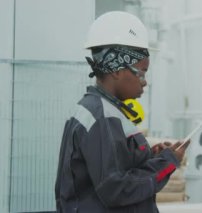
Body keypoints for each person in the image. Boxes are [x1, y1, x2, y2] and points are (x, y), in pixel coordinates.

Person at [55, 11, 189, 213]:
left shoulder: (103, 111)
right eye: (141, 72)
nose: (145, 82)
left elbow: (114, 167)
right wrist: (167, 163)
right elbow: (116, 189)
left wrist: (151, 155)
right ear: (117, 71)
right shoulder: (102, 118)